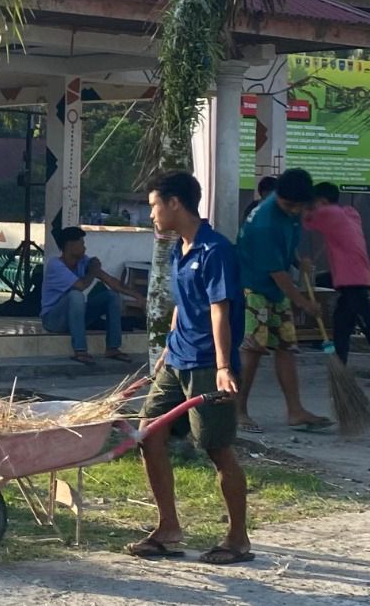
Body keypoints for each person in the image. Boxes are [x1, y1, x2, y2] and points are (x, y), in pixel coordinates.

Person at [131, 171, 250, 565]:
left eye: (154, 206)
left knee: (217, 449)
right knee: (149, 434)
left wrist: (222, 366)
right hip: (177, 358)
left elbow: (220, 310)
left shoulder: (216, 250)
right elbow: (184, 302)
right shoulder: (177, 248)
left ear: (175, 203)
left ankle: (238, 539)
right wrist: (169, 342)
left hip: (206, 363)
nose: (152, 215)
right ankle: (168, 529)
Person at [236, 168, 331, 434]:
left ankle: (295, 411)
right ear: (279, 196)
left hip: (276, 289)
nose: (292, 210)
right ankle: (238, 411)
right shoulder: (265, 222)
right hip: (254, 287)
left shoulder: (291, 210)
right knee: (253, 350)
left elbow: (284, 247)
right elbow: (276, 272)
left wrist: (297, 260)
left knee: (286, 347)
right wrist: (302, 302)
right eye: (288, 205)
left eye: (297, 206)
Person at [306, 182, 370, 388]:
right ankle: (340, 373)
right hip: (357, 277)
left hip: (351, 280)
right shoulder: (350, 214)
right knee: (342, 325)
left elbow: (304, 220)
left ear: (321, 201)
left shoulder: (329, 213)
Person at [41, 226, 137, 364]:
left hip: (74, 318)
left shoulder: (83, 261)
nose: (85, 247)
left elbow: (110, 281)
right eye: (82, 243)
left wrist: (138, 297)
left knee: (111, 296)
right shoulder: (55, 265)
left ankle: (113, 347)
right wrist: (92, 271)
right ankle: (80, 350)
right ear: (71, 246)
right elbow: (81, 286)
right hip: (53, 320)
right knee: (76, 295)